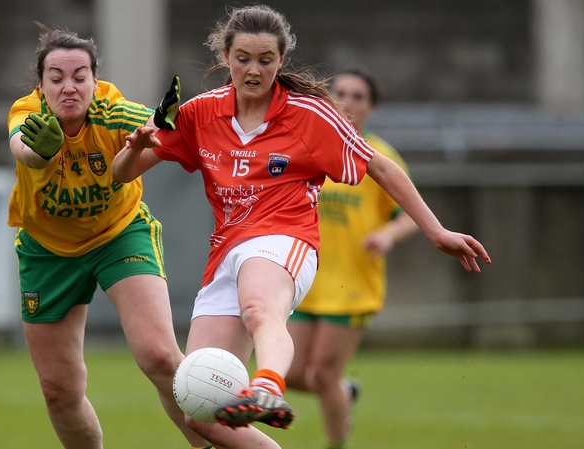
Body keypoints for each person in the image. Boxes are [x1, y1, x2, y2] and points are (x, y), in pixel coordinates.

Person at [112, 5, 490, 448]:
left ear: (281, 61)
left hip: (284, 237)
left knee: (258, 308)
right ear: (225, 56)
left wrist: (437, 232)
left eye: (266, 60)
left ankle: (269, 385)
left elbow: (382, 168)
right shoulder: (199, 113)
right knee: (199, 410)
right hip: (225, 251)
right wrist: (134, 145)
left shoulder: (311, 115)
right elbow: (124, 173)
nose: (254, 70)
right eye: (244, 59)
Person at [7, 24, 214, 449]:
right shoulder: (26, 114)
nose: (69, 87)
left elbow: (158, 128)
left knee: (159, 356)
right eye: (57, 78)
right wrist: (42, 151)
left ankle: (216, 445)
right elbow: (23, 151)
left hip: (118, 234)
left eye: (80, 77)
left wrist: (167, 121)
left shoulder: (112, 109)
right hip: (48, 250)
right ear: (40, 85)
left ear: (94, 81)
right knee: (59, 392)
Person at [285, 69, 419, 449]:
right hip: (305, 280)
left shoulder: (382, 157)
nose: (346, 101)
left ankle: (337, 441)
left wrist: (388, 233)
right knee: (290, 373)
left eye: (358, 96)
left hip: (353, 285)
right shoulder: (312, 147)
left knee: (324, 374)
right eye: (340, 92)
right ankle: (345, 392)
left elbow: (410, 213)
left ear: (372, 107)